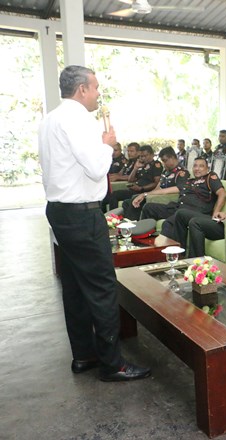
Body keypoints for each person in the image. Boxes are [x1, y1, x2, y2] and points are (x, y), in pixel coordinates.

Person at [39, 65, 150, 381]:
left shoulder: (50, 119)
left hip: (59, 211)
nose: (98, 94)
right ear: (82, 89)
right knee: (102, 287)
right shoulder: (78, 120)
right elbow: (96, 168)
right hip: (81, 214)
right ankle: (113, 364)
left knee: (75, 286)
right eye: (96, 87)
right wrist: (108, 145)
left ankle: (84, 354)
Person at [141, 157, 226, 241]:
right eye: (195, 166)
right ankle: (143, 240)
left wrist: (216, 212)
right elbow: (166, 191)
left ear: (207, 169)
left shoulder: (210, 177)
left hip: (195, 212)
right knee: (149, 207)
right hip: (178, 208)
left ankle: (168, 248)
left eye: (201, 166)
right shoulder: (190, 181)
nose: (197, 169)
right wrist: (145, 194)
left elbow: (222, 193)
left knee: (169, 223)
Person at [121, 146, 188, 221]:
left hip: (167, 199)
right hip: (158, 196)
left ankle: (134, 225)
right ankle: (127, 223)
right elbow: (157, 187)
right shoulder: (166, 172)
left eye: (165, 161)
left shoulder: (182, 172)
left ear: (172, 158)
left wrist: (145, 194)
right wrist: (145, 194)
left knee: (143, 203)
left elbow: (177, 189)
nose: (164, 164)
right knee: (128, 202)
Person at [106, 144, 162, 211]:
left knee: (124, 200)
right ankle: (112, 215)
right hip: (135, 190)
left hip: (144, 191)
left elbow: (156, 183)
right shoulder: (142, 164)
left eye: (145, 156)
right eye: (141, 156)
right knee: (113, 195)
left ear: (152, 155)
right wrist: (135, 168)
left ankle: (114, 215)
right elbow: (130, 180)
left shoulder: (156, 165)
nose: (143, 158)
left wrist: (141, 188)